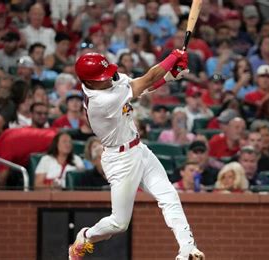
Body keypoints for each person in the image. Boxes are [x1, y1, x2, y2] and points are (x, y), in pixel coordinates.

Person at [71, 51, 204, 260]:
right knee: (119, 223)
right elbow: (147, 80)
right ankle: (86, 235)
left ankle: (187, 249)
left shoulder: (107, 82)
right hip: (119, 160)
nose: (108, 78)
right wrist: (173, 58)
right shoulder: (101, 101)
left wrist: (170, 76)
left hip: (138, 149)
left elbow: (141, 87)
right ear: (89, 82)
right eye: (102, 77)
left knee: (168, 194)